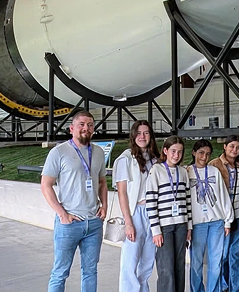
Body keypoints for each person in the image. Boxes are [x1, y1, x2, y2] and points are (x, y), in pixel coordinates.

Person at [41, 110, 107, 292]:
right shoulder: (58, 152)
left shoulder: (98, 152)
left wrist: (105, 205)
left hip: (93, 223)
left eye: (90, 125)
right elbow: (46, 185)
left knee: (90, 271)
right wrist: (62, 214)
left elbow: (102, 182)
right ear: (71, 128)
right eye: (82, 124)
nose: (86, 128)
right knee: (60, 273)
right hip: (69, 224)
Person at [113, 120, 161, 292]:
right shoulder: (125, 159)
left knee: (147, 261)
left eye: (146, 133)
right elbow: (122, 192)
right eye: (139, 133)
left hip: (153, 213)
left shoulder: (155, 159)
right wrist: (128, 223)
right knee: (130, 261)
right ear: (133, 136)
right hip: (135, 213)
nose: (142, 136)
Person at [147, 136, 192, 292]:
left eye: (180, 151)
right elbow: (151, 202)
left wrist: (189, 227)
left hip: (181, 225)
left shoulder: (183, 172)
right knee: (166, 268)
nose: (176, 155)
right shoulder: (156, 170)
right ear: (165, 151)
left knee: (179, 266)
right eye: (173, 151)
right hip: (164, 227)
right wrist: (156, 231)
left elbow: (188, 201)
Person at [189, 140, 233, 292]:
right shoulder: (187, 172)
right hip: (197, 225)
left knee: (216, 261)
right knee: (196, 263)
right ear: (194, 153)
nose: (204, 157)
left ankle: (214, 290)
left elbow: (223, 196)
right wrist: (188, 225)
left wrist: (228, 221)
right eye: (201, 153)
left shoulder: (214, 171)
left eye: (208, 154)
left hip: (216, 222)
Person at [211, 135, 239, 292]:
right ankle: (222, 285)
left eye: (238, 147)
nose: (234, 150)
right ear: (225, 147)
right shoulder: (214, 164)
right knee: (222, 253)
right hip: (223, 216)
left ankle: (238, 288)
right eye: (231, 146)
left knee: (238, 252)